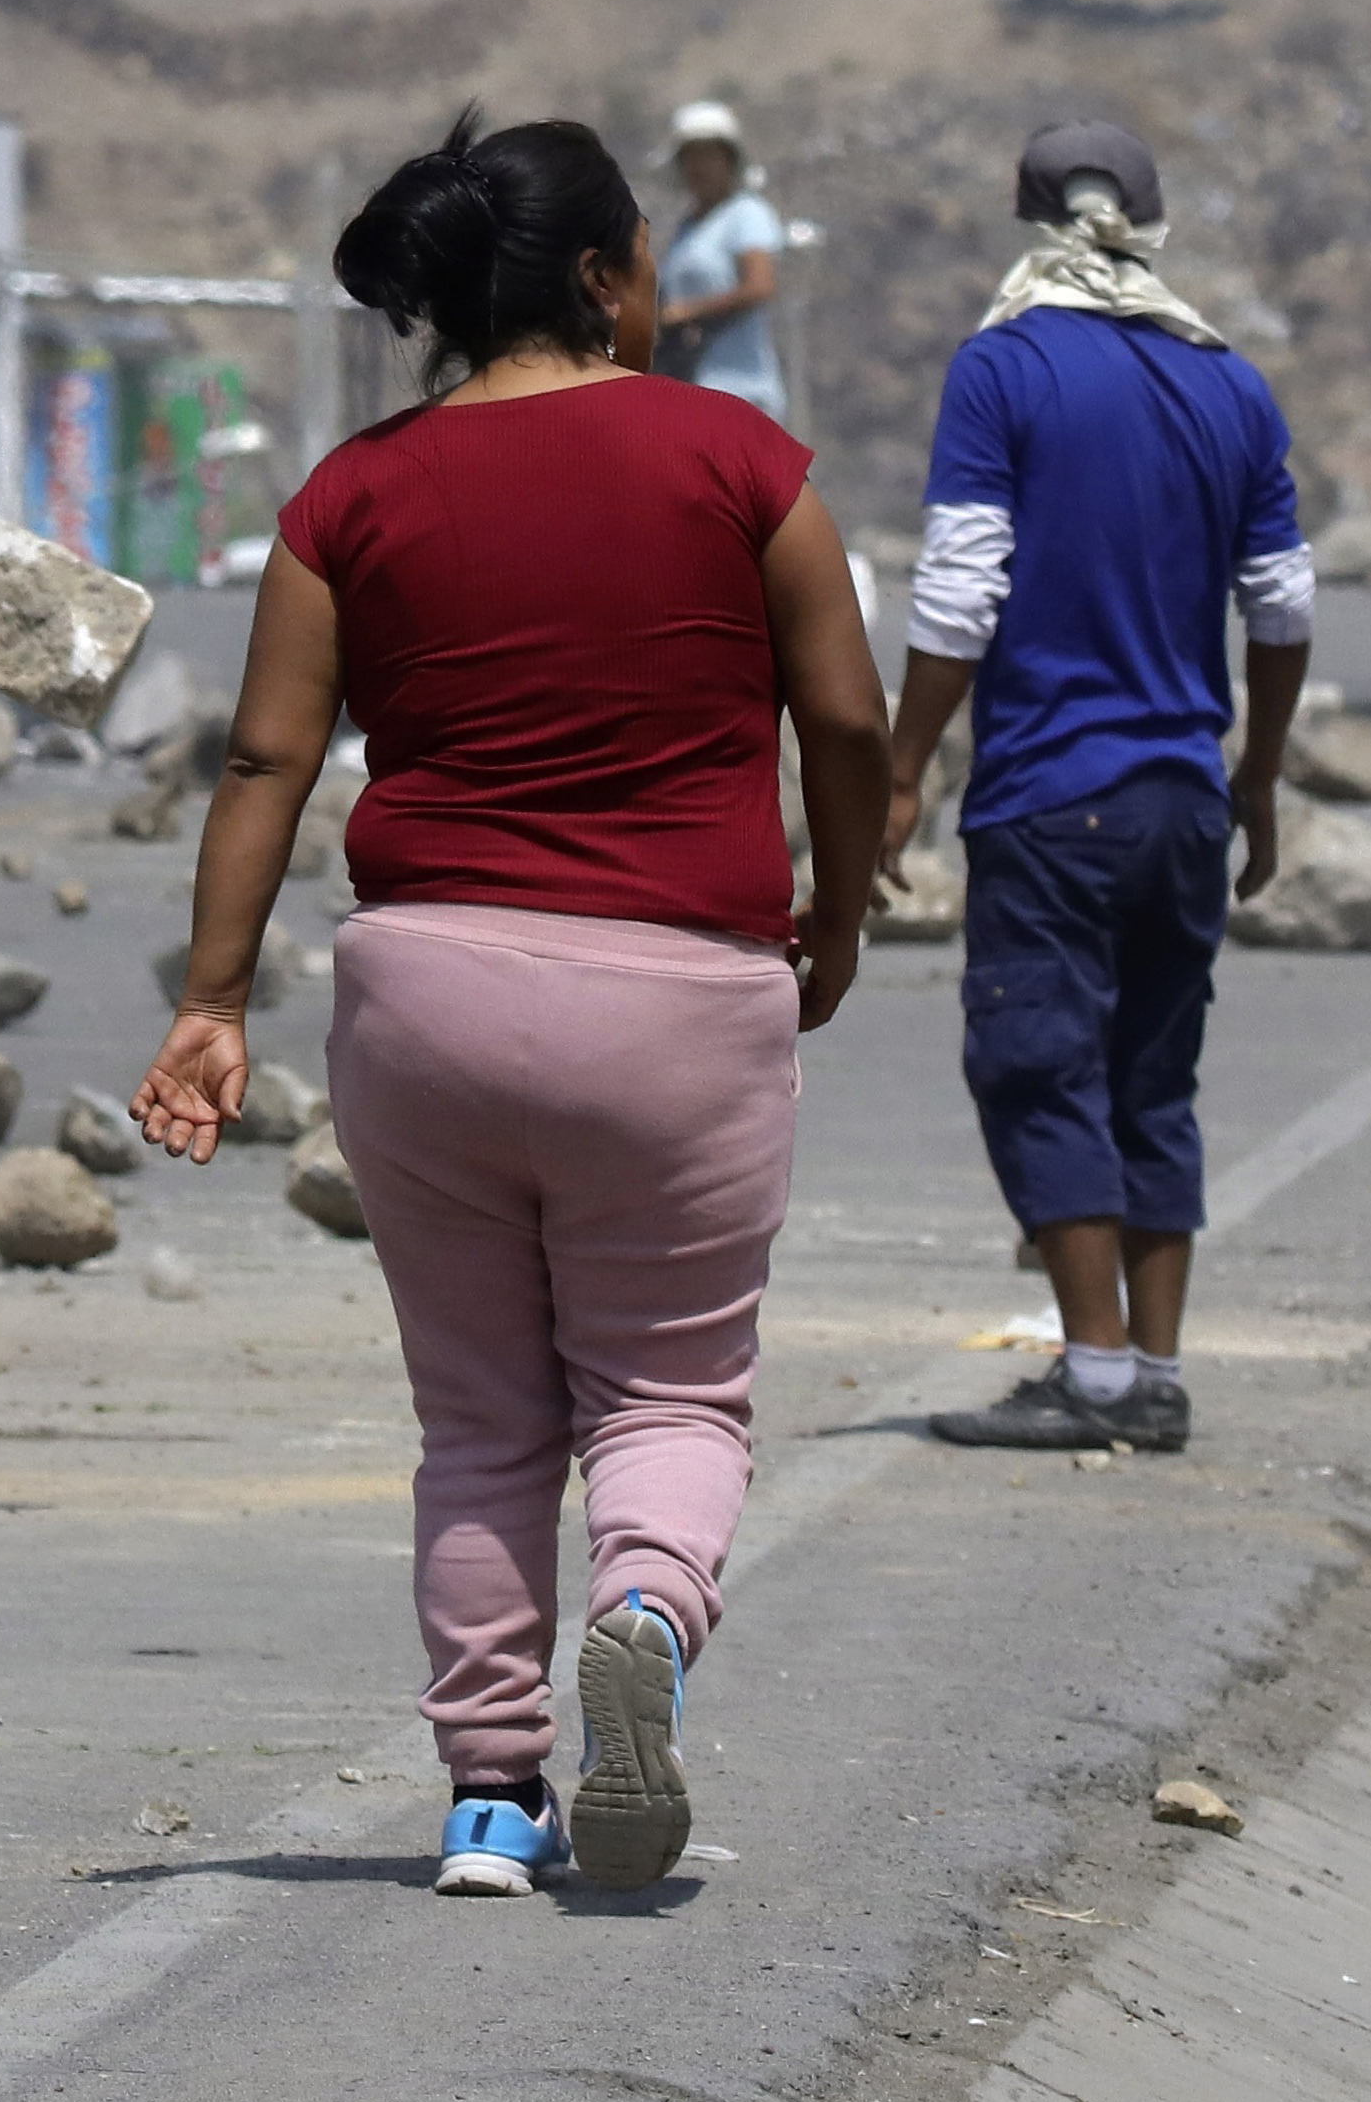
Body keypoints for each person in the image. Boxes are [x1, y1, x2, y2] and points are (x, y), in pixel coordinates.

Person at [135, 114, 890, 1901]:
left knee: (482, 1418)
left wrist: (211, 1000)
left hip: (428, 994)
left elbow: (267, 752)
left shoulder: (349, 494)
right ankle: (642, 1610)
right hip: (682, 994)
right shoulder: (740, 459)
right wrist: (836, 914)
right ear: (606, 279)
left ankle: (488, 1793)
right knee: (673, 1394)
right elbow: (848, 720)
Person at [884, 120, 1315, 1455]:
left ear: (1028, 217)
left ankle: (1099, 1372)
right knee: (1153, 1076)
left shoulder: (1001, 370)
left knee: (1040, 1064)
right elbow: (1283, 604)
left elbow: (958, 596)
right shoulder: (1229, 382)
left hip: (1046, 792)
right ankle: (1157, 1366)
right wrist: (1254, 777)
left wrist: (897, 769)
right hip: (1181, 793)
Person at [653, 99, 789, 420]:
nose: (699, 167)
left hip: (740, 389)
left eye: (708, 155)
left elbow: (759, 286)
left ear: (728, 159)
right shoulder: (687, 228)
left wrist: (688, 312)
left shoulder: (746, 214)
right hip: (692, 384)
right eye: (691, 157)